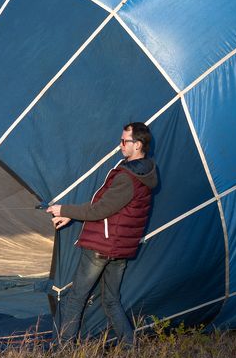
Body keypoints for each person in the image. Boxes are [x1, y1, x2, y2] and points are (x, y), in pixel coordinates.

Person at [47, 122, 158, 346]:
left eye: (124, 141)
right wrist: (72, 216)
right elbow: (105, 204)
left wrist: (64, 209)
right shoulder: (144, 172)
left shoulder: (128, 177)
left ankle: (63, 353)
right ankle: (129, 347)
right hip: (119, 250)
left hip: (102, 247)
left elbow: (100, 210)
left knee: (76, 299)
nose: (120, 146)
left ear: (137, 145)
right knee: (111, 300)